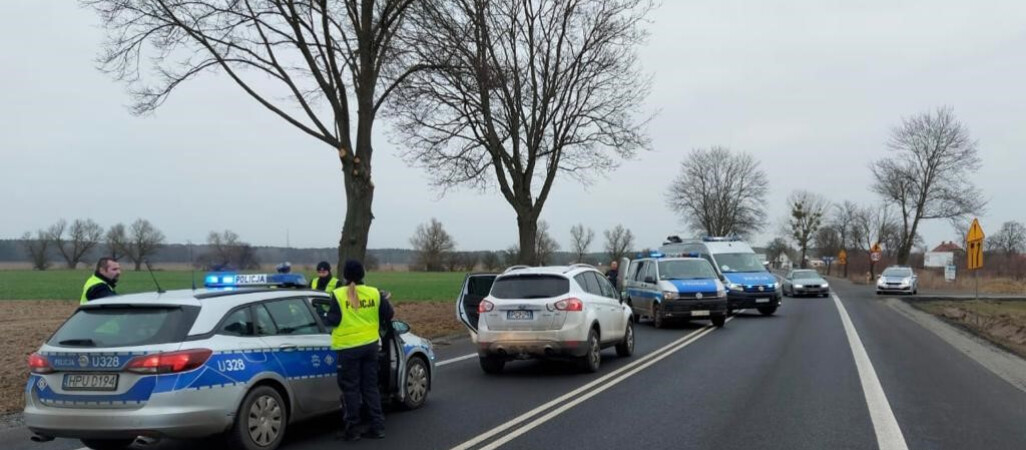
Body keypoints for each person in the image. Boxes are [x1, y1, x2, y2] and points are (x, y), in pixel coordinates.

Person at [325, 260, 394, 441]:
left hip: (348, 349)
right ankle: (378, 427)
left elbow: (332, 320)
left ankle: (353, 429)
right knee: (370, 387)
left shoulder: (339, 295)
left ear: (345, 276)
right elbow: (389, 314)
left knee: (351, 389)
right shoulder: (374, 292)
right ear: (363, 274)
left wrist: (324, 315)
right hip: (371, 347)